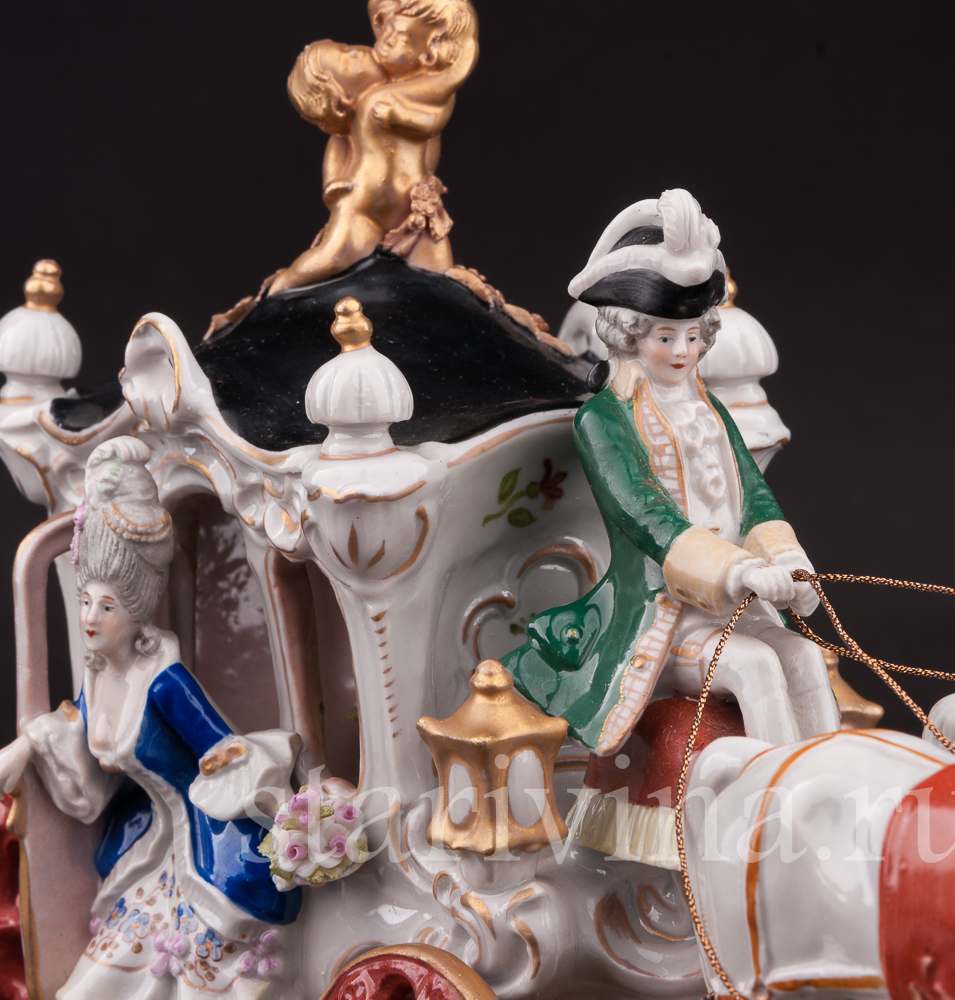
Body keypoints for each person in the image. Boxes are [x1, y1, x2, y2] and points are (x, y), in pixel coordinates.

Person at [504, 188, 840, 760]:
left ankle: (832, 779)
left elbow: (753, 496)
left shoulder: (709, 408)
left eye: (692, 335)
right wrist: (738, 571)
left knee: (805, 656)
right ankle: (774, 798)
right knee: (756, 667)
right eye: (665, 337)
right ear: (629, 335)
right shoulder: (604, 419)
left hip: (740, 604)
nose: (683, 350)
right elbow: (646, 516)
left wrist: (788, 562)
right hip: (663, 619)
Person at [0, 438, 303, 997]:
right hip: (150, 831)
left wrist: (235, 770)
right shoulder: (100, 674)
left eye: (106, 606)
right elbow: (75, 728)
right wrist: (24, 748)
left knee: (191, 967)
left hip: (201, 834)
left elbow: (219, 744)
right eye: (86, 601)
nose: (89, 618)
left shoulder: (165, 681)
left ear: (136, 612)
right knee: (113, 961)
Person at [267, 0, 479, 294]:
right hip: (363, 207)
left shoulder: (401, 87)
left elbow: (434, 120)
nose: (359, 50)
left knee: (441, 270)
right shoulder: (376, 101)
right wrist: (334, 187)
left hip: (414, 209)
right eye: (348, 59)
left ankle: (449, 305)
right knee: (332, 256)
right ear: (344, 97)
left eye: (347, 48)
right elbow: (432, 119)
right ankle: (282, 288)